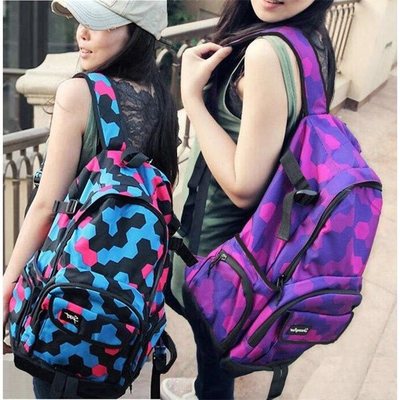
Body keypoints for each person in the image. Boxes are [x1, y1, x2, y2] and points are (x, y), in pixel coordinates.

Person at [3, 0, 178, 398]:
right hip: (125, 319)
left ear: (135, 33)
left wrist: (8, 285)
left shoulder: (80, 93)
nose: (81, 33)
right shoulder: (161, 99)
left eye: (99, 24)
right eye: (81, 21)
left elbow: (46, 206)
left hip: (65, 306)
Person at [162, 0, 336, 399]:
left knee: (213, 348)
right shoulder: (313, 39)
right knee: (219, 350)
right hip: (263, 244)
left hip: (221, 251)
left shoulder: (265, 53)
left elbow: (243, 187)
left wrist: (191, 97)